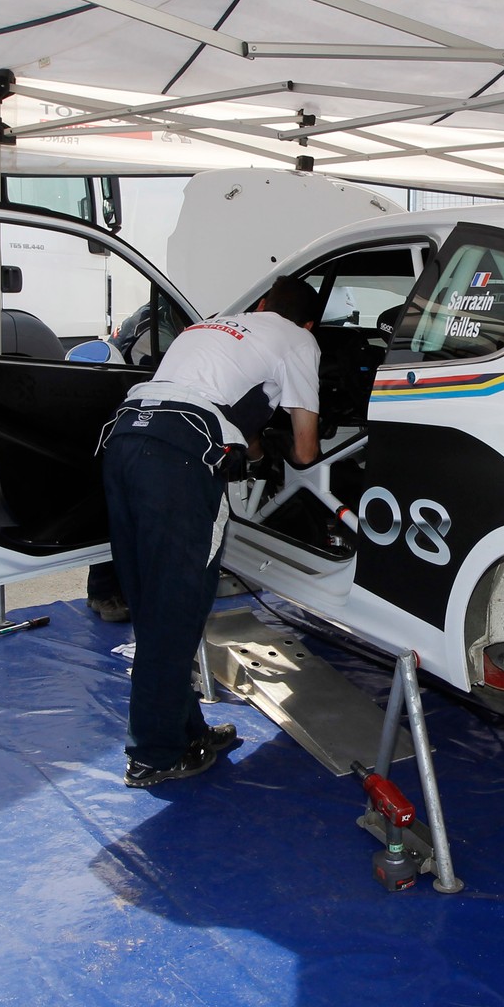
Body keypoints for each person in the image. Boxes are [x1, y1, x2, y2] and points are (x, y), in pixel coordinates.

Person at [100, 276, 323, 787]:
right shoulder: (298, 339)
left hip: (125, 438)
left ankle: (184, 731)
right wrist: (282, 455)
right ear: (307, 323)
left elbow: (233, 411)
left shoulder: (211, 326)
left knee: (152, 603)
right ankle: (154, 754)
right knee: (177, 607)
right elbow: (307, 449)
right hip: (179, 455)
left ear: (263, 303)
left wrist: (256, 454)